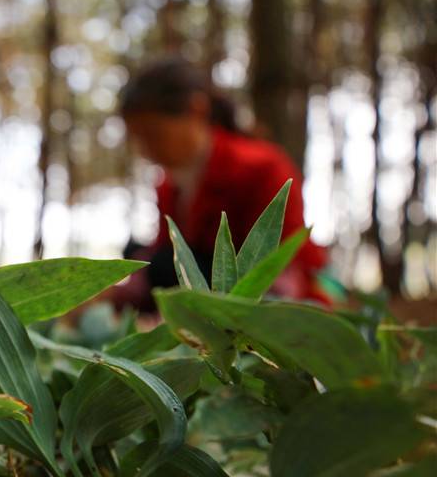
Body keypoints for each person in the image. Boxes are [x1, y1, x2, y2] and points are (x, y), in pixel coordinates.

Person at [114, 57, 328, 309]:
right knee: (140, 256)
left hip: (274, 304)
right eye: (139, 139)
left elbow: (284, 268)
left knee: (161, 267)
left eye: (154, 135)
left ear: (196, 109)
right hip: (207, 303)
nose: (146, 150)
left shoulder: (261, 168)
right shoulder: (169, 187)